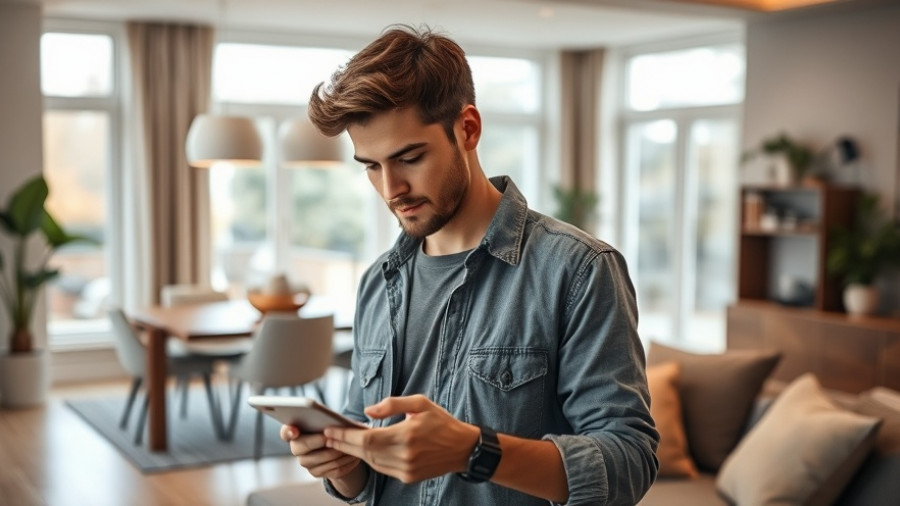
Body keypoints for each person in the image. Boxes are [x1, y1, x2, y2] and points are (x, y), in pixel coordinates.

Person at [280, 24, 659, 505]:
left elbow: (628, 462)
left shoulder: (579, 271)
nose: (391, 188)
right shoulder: (379, 282)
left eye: (409, 157)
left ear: (468, 129)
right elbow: (368, 472)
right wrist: (342, 467)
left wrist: (474, 451)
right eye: (371, 166)